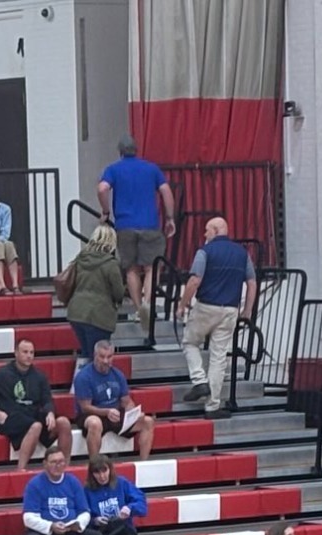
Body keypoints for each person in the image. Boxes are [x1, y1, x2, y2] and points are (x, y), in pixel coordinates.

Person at [97, 136, 176, 338]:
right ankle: (148, 303)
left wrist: (106, 211)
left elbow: (102, 188)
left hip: (125, 225)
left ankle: (138, 308)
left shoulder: (113, 169)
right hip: (150, 224)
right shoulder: (151, 169)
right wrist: (169, 217)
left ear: (120, 151)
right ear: (136, 150)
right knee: (151, 267)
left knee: (131, 268)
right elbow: (166, 190)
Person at [177, 216, 257, 416]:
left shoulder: (205, 252)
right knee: (219, 356)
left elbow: (195, 280)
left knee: (189, 342)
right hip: (230, 309)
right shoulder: (242, 253)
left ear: (214, 230)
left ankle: (199, 381)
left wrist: (182, 305)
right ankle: (212, 405)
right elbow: (252, 283)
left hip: (206, 306)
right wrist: (247, 311)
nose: (204, 234)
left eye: (206, 230)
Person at [19, 447, 101, 535]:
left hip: (70, 531)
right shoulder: (34, 484)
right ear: (45, 464)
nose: (58, 465)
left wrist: (78, 524)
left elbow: (85, 512)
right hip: (46, 534)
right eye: (53, 462)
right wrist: (50, 526)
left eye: (61, 462)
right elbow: (28, 518)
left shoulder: (73, 482)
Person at [0, 339, 72, 471]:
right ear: (16, 353)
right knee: (35, 426)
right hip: (10, 417)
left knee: (63, 422)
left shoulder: (39, 376)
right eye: (25, 352)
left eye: (32, 352)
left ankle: (64, 467)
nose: (29, 356)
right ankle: (21, 469)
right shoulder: (2, 374)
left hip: (32, 414)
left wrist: (50, 413)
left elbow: (47, 399)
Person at [74, 342, 157, 464]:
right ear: (95, 355)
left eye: (109, 356)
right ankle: (94, 465)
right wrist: (106, 412)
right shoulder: (84, 376)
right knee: (95, 423)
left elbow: (126, 401)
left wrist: (133, 413)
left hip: (115, 413)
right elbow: (85, 407)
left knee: (148, 422)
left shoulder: (118, 374)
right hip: (92, 413)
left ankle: (143, 464)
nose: (106, 361)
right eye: (102, 357)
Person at [63, 225, 128, 364]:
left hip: (76, 312)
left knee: (86, 354)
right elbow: (118, 293)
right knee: (98, 359)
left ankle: (80, 382)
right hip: (99, 315)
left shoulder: (80, 258)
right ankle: (90, 384)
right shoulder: (111, 264)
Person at [82, 454, 149, 535]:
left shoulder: (122, 483)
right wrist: (94, 520)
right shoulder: (87, 491)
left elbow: (141, 501)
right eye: (97, 472)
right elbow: (82, 513)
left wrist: (130, 508)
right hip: (104, 531)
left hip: (124, 527)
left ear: (110, 470)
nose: (102, 476)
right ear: (92, 474)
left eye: (104, 471)